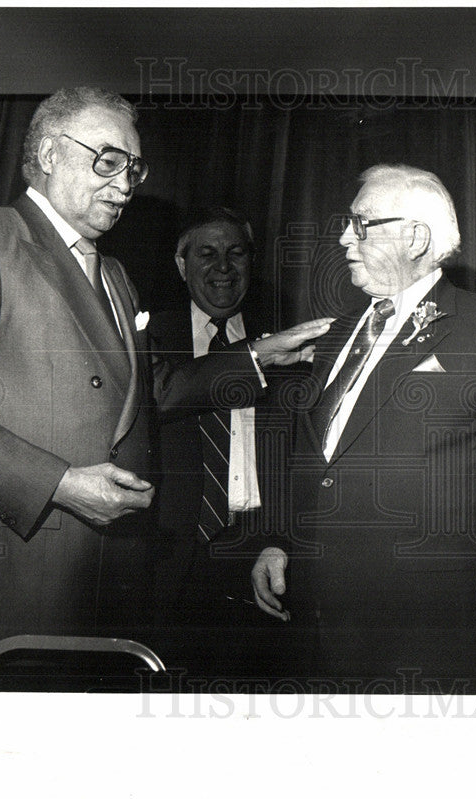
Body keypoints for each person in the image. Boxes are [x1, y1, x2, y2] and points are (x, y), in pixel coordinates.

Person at [0, 87, 326, 684]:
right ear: (52, 153)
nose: (125, 183)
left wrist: (256, 355)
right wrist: (57, 483)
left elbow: (146, 392)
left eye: (133, 167)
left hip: (90, 594)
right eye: (107, 161)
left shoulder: (111, 272)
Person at [250, 163, 476, 686]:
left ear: (414, 237)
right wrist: (279, 539)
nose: (345, 238)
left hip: (428, 637)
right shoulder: (339, 330)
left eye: (361, 223)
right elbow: (318, 454)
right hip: (317, 623)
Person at [148, 208, 294, 674]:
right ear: (181, 264)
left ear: (252, 262)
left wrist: (278, 541)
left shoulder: (289, 344)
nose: (223, 267)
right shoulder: (146, 340)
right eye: (206, 254)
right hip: (164, 560)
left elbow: (306, 460)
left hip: (261, 556)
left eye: (236, 253)